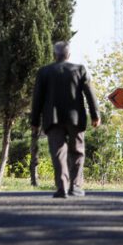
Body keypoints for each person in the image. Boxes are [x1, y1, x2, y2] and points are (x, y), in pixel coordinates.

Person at [30, 41, 100, 198]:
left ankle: (62, 187)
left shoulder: (44, 72)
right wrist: (95, 115)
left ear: (55, 55)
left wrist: (35, 121)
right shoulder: (79, 69)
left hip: (53, 119)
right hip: (75, 119)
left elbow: (37, 99)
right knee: (77, 152)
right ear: (68, 54)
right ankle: (75, 186)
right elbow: (90, 94)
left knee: (58, 153)